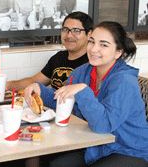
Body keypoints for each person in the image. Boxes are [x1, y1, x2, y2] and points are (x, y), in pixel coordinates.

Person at [25, 21, 148, 166]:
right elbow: (63, 99)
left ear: (118, 52)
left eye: (103, 45)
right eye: (91, 42)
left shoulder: (125, 82)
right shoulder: (83, 71)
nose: (94, 49)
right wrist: (39, 89)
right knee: (57, 164)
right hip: (94, 146)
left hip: (127, 149)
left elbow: (103, 125)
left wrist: (83, 91)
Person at [6, 11, 93, 91]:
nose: (69, 35)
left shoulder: (92, 63)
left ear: (89, 34)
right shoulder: (59, 57)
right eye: (66, 30)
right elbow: (33, 81)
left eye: (76, 31)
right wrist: (8, 85)